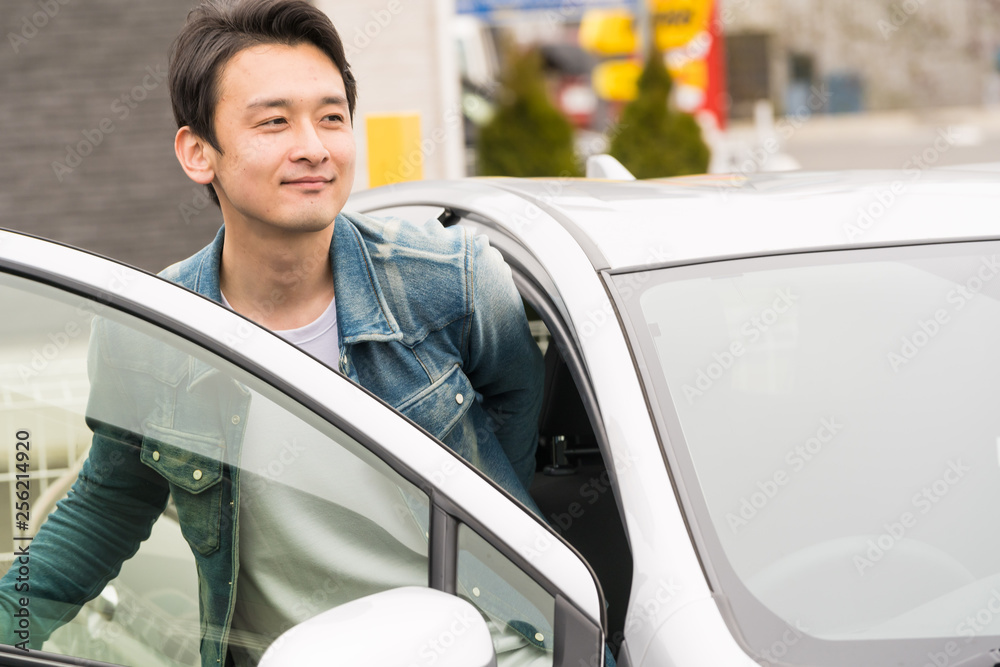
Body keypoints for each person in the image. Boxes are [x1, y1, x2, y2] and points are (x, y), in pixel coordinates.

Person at [0, 1, 547, 665]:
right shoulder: (154, 331)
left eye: (331, 117)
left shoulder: (450, 281)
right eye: (275, 121)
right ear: (198, 152)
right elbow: (108, 505)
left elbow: (519, 413)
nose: (314, 147)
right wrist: (9, 619)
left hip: (495, 650)